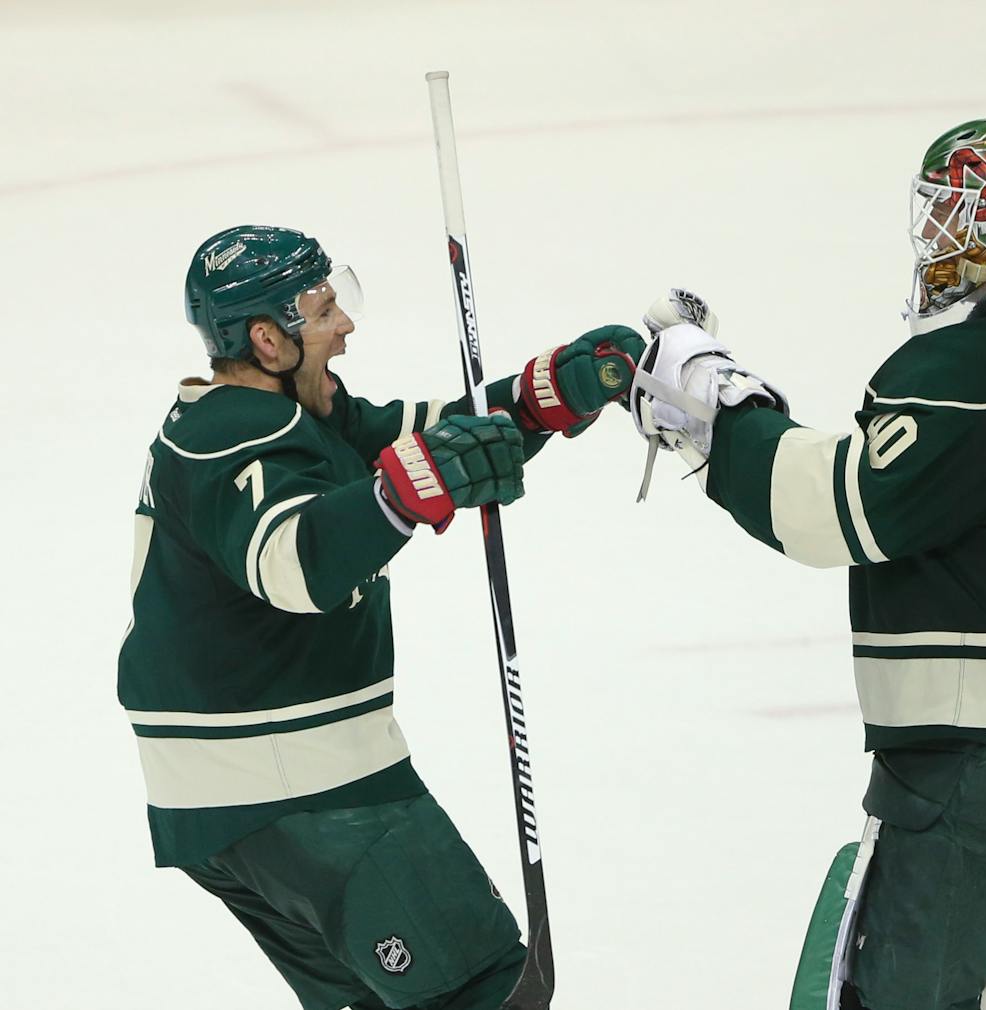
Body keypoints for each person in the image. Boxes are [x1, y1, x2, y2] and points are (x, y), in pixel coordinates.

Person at [630, 118, 986, 1009]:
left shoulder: (968, 369)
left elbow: (838, 508)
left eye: (948, 216)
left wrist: (714, 402)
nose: (932, 239)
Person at [118, 225, 644, 1010]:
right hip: (305, 788)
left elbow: (410, 437)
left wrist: (540, 399)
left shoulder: (281, 413)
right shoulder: (237, 436)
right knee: (478, 991)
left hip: (229, 803)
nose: (346, 326)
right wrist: (404, 492)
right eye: (325, 309)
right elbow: (292, 563)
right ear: (268, 339)